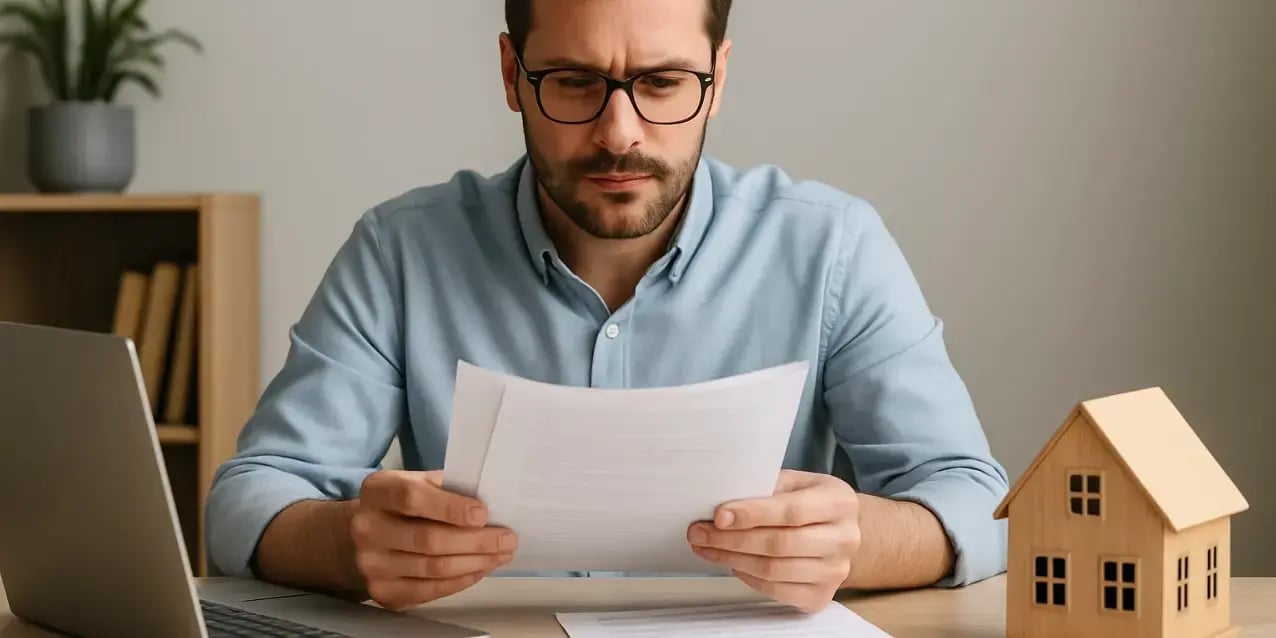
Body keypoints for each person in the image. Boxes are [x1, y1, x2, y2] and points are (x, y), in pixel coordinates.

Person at [206, 0, 1009, 615]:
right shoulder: (400, 252)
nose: (618, 133)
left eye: (662, 83)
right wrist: (352, 547)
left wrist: (853, 543)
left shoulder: (833, 248)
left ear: (718, 79)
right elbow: (249, 500)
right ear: (512, 75)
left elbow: (977, 500)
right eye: (574, 83)